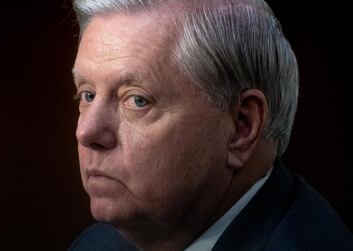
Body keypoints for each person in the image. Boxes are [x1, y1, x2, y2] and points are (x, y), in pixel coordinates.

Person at [68, 0, 353, 250]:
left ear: (241, 127)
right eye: (88, 95)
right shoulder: (98, 243)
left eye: (138, 100)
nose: (86, 132)